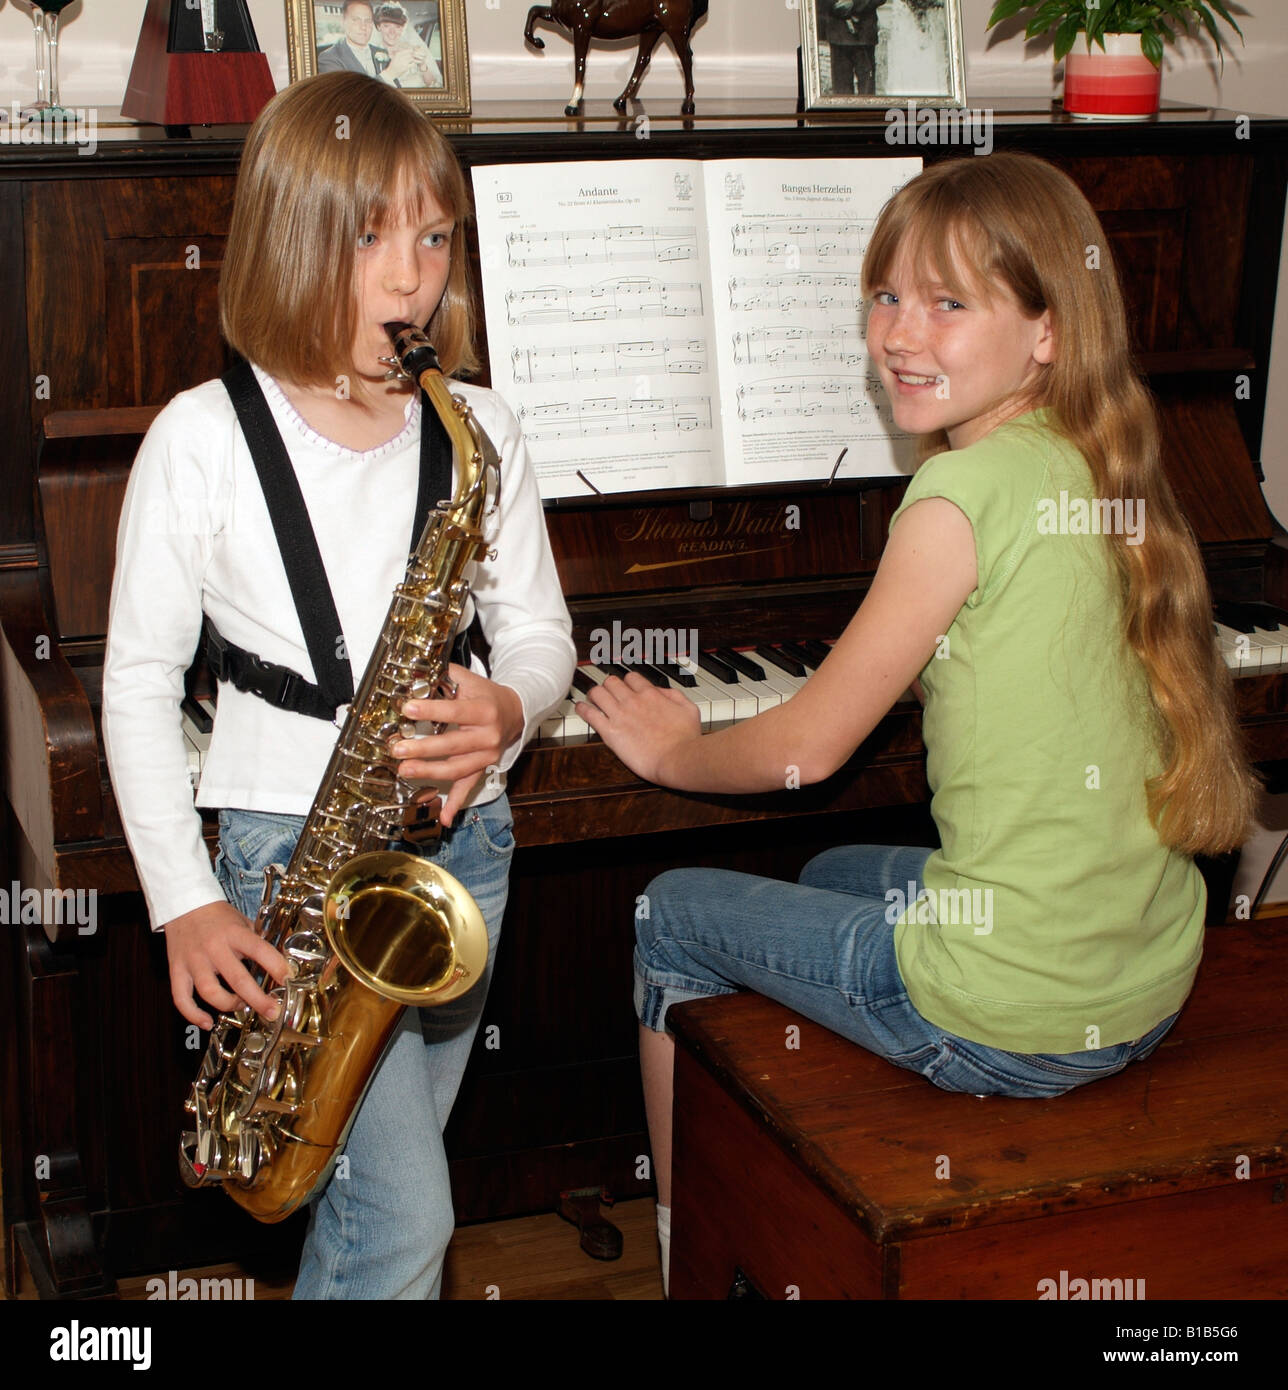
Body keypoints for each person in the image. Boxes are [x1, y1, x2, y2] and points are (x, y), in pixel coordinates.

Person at [578, 152, 1257, 1294]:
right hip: (1141, 974)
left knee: (667, 910)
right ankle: (786, 1164)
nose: (900, 332)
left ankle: (686, 1251)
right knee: (837, 863)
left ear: (1045, 330)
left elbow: (805, 747)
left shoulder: (951, 497)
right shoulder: (1097, 457)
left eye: (948, 303)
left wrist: (676, 747)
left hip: (1012, 1015)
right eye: (885, 295)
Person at [103, 71, 575, 1300]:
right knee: (406, 1224)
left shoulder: (478, 429)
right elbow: (138, 681)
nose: (413, 272)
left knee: (355, 1211)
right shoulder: (199, 438)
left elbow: (541, 635)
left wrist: (511, 710)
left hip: (456, 854)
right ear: (289, 234)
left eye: (432, 234)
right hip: (279, 862)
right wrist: (183, 901)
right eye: (371, 236)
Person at [817, 0, 889, 96]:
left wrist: (854, 4)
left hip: (863, 37)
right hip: (839, 35)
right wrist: (839, 8)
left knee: (867, 95)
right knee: (841, 96)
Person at [375, 2, 444, 89]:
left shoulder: (413, 50)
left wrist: (422, 65)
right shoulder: (372, 52)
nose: (392, 32)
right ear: (378, 27)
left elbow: (433, 85)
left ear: (403, 28)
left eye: (397, 27)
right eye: (386, 26)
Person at [318, 0, 387, 77]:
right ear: (343, 23)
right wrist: (388, 75)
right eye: (356, 20)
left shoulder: (383, 53)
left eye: (368, 21)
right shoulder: (329, 58)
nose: (363, 26)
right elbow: (345, 89)